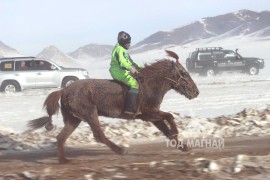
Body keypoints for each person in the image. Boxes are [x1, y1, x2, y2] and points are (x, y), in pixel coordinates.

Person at [110, 31, 141, 114]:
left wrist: (140, 68)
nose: (129, 44)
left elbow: (131, 62)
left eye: (130, 42)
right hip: (118, 71)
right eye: (128, 43)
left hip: (122, 71)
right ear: (123, 43)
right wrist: (131, 69)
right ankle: (129, 109)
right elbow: (122, 62)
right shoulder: (118, 49)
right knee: (134, 84)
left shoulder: (124, 50)